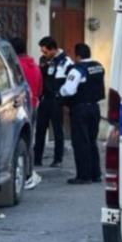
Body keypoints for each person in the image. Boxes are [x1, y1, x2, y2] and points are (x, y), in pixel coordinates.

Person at [59, 42, 105, 185]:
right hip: (95, 108)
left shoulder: (78, 70)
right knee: (92, 141)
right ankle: (95, 173)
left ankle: (84, 176)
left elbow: (69, 90)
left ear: (78, 56)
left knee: (80, 142)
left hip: (80, 109)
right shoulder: (98, 67)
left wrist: (60, 93)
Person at [34, 36, 73, 168]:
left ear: (54, 49)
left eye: (46, 52)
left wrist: (66, 102)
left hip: (57, 100)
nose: (44, 55)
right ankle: (37, 158)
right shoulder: (43, 60)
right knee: (40, 130)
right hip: (44, 99)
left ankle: (58, 159)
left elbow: (69, 82)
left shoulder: (66, 61)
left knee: (57, 131)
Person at [11, 37, 42, 190]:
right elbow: (40, 88)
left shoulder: (15, 66)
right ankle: (29, 172)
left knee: (17, 141)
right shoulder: (35, 66)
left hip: (18, 107)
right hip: (33, 105)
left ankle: (26, 174)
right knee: (29, 140)